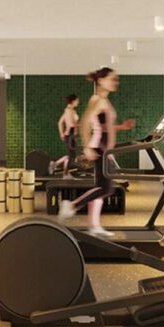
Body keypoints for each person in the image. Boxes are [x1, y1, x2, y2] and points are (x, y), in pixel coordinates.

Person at [57, 68, 135, 234]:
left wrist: (122, 127)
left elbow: (104, 126)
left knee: (102, 188)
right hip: (100, 147)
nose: (115, 82)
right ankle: (72, 206)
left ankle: (94, 225)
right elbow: (85, 122)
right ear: (100, 81)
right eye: (112, 79)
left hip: (106, 149)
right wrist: (87, 146)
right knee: (105, 188)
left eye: (116, 79)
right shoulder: (98, 100)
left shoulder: (104, 101)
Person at [49, 94, 79, 175]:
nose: (78, 102)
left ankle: (57, 166)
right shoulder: (69, 111)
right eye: (77, 101)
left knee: (71, 155)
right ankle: (63, 171)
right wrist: (83, 125)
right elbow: (71, 124)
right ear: (73, 101)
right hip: (70, 135)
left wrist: (62, 134)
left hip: (70, 135)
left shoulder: (69, 110)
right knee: (71, 156)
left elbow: (60, 122)